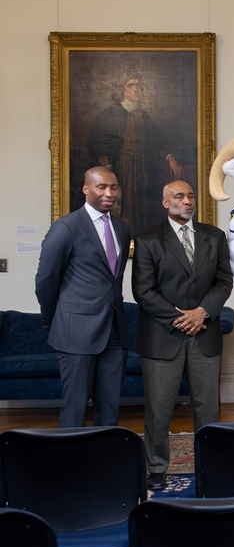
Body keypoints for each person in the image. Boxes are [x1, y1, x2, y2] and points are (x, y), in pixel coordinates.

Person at [131, 180, 234, 490]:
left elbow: (224, 282)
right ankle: (158, 469)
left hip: (205, 333)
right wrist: (182, 318)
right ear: (166, 203)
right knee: (159, 410)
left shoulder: (214, 237)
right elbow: (143, 292)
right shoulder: (148, 240)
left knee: (207, 409)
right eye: (179, 196)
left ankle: (209, 466)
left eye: (190, 196)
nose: (187, 201)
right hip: (164, 337)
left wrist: (202, 312)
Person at [35, 166, 132, 427]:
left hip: (114, 333)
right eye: (101, 187)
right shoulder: (66, 227)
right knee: (75, 408)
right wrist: (55, 319)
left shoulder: (122, 228)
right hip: (75, 332)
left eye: (113, 187)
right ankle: (70, 465)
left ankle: (104, 463)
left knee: (109, 408)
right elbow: (46, 280)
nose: (109, 193)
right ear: (86, 189)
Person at [88, 75, 184, 233]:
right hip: (122, 165)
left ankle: (141, 234)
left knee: (142, 202)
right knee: (126, 200)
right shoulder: (112, 113)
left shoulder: (143, 115)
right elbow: (99, 142)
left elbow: (157, 139)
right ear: (122, 90)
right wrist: (107, 167)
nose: (136, 89)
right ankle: (124, 233)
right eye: (131, 85)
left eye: (138, 85)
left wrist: (170, 156)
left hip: (142, 165)